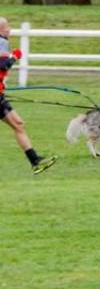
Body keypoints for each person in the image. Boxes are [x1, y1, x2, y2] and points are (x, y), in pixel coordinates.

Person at [0, 17, 57, 174]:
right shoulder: (2, 42)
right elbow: (2, 64)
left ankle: (35, 161)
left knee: (18, 124)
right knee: (18, 125)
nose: (10, 29)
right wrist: (15, 55)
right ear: (2, 29)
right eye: (7, 27)